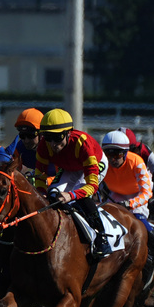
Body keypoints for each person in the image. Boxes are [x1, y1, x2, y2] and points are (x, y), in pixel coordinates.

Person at [35, 108, 111, 257]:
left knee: (81, 195)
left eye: (57, 138)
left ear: (69, 133)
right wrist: (42, 194)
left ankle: (102, 236)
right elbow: (40, 178)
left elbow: (92, 187)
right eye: (47, 138)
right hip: (70, 167)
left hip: (94, 164)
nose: (52, 144)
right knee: (52, 194)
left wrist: (71, 195)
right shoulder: (44, 146)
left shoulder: (83, 144)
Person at [99, 131, 154, 262]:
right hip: (115, 195)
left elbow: (146, 193)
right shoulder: (102, 162)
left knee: (139, 221)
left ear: (125, 153)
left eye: (117, 154)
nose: (112, 159)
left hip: (136, 196)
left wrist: (130, 204)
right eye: (108, 154)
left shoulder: (136, 161)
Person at [0, 108, 56, 179]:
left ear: (42, 134)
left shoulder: (54, 147)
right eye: (22, 136)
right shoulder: (19, 149)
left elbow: (65, 175)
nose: (26, 141)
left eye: (30, 135)